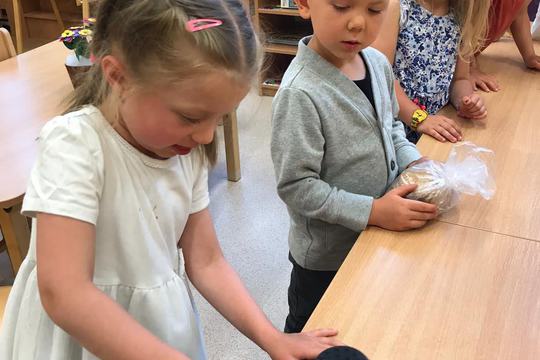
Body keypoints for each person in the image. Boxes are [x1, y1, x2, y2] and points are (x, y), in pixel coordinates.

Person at [0, 1, 340, 358]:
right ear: (118, 76)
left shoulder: (183, 152)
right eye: (190, 116)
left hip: (157, 331)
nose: (207, 137)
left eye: (220, 117)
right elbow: (66, 293)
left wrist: (272, 338)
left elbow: (207, 262)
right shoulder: (75, 146)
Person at [271, 0, 438, 334]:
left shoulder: (376, 63)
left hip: (375, 237)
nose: (358, 23)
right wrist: (373, 211)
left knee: (363, 324)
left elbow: (390, 126)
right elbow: (296, 186)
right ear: (304, 4)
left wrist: (416, 162)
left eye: (375, 10)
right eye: (342, 6)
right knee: (313, 331)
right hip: (326, 260)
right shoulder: (299, 93)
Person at [373, 0, 490, 143]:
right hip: (393, 133)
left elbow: (460, 80)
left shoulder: (461, 19)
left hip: (431, 133)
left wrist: (465, 100)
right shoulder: (398, 7)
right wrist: (421, 119)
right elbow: (381, 78)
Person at [471, 0, 540, 92]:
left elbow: (519, 13)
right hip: (454, 56)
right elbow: (463, 22)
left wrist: (530, 55)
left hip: (468, 53)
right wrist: (468, 69)